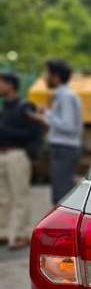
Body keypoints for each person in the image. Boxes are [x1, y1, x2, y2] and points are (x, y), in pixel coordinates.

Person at [29, 59, 83, 204]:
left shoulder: (65, 96)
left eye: (47, 73)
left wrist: (43, 118)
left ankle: (64, 226)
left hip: (64, 147)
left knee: (61, 194)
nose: (44, 76)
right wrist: (46, 113)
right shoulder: (63, 95)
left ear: (56, 76)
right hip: (63, 148)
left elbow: (68, 126)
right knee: (61, 190)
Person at [0, 72, 36, 249]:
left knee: (19, 196)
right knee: (3, 197)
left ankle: (22, 234)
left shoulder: (25, 106)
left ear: (10, 85)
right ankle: (4, 233)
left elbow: (33, 133)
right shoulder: (4, 108)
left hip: (17, 155)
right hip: (2, 156)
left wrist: (5, 131)